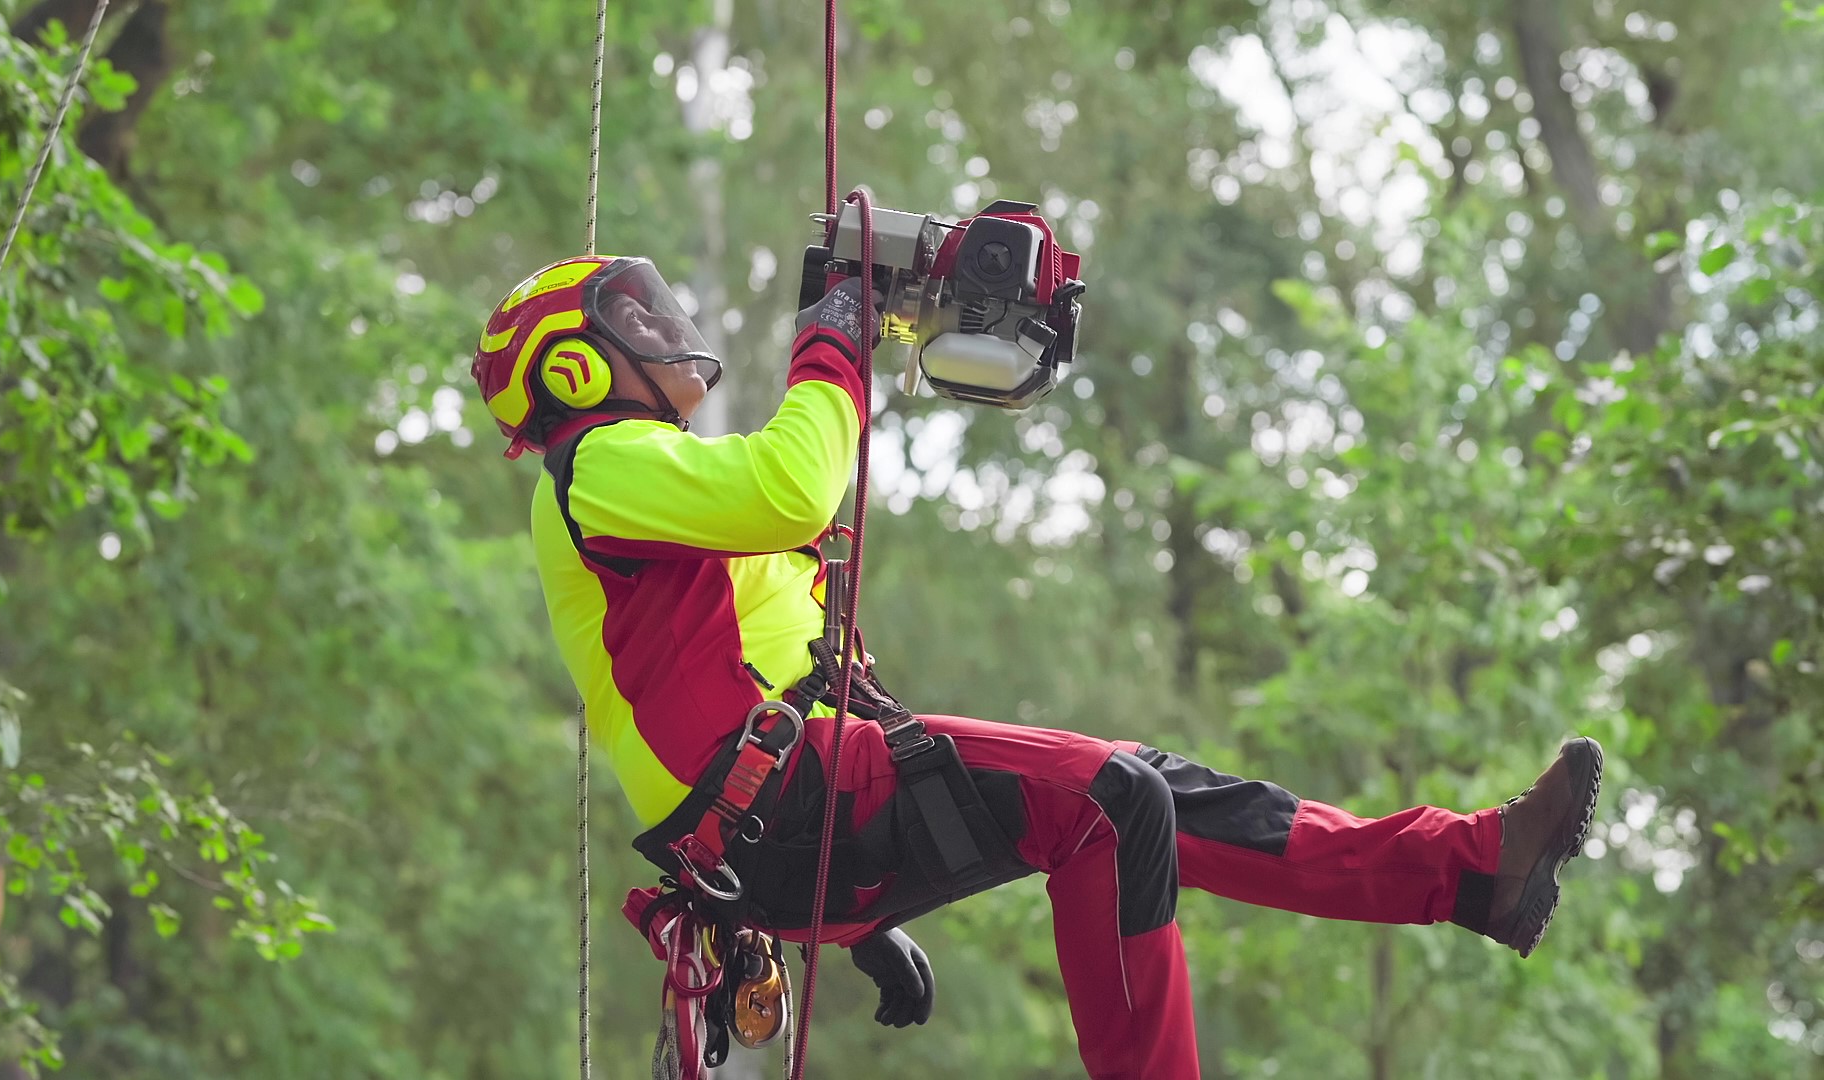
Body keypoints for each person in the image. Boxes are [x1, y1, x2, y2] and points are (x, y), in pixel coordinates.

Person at [470, 255, 1605, 1079]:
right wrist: (835, 340)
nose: (669, 329)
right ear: (574, 366)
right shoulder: (601, 466)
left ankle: (1469, 871)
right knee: (1112, 804)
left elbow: (767, 646)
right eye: (640, 317)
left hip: (802, 810)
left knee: (1158, 788)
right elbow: (796, 486)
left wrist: (862, 920)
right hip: (788, 810)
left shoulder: (659, 499)